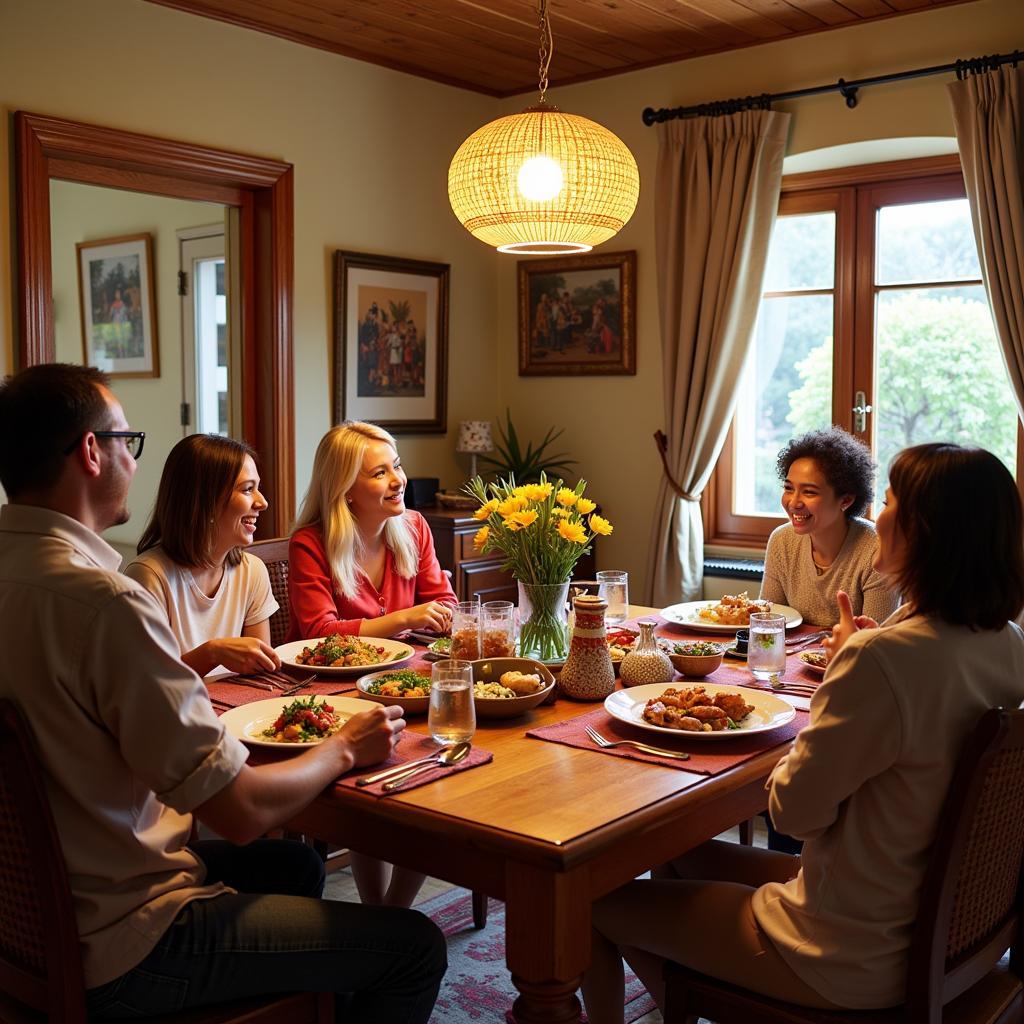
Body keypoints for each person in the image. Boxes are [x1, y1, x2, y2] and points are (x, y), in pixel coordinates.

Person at [0, 364, 446, 1021]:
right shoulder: (107, 603)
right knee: (414, 947)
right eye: (129, 440)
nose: (132, 457)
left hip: (31, 918)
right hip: (131, 937)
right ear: (92, 453)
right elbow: (238, 812)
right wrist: (344, 749)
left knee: (296, 872)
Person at [581, 442, 1024, 1022]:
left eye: (889, 502)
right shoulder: (1009, 645)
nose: (878, 514)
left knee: (593, 902)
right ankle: (705, 1000)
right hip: (936, 923)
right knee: (681, 856)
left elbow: (792, 815)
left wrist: (850, 664)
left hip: (845, 951)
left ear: (924, 531)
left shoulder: (881, 658)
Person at [288, 420, 457, 908]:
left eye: (397, 466)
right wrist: (405, 618)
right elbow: (319, 632)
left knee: (439, 785)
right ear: (344, 489)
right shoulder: (311, 543)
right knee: (372, 799)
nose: (398, 480)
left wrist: (435, 618)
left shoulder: (414, 528)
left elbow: (442, 602)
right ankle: (381, 915)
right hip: (331, 698)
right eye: (379, 473)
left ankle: (390, 913)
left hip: (407, 686)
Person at [124, 434, 282, 678]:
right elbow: (146, 681)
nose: (263, 503)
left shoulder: (252, 570)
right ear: (204, 501)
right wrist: (212, 653)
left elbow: (263, 671)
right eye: (248, 489)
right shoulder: (149, 576)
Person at [760, 426, 899, 626]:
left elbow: (875, 644)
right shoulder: (781, 540)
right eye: (789, 488)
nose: (794, 502)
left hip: (852, 656)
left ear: (846, 500)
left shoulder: (877, 550)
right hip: (793, 656)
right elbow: (767, 622)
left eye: (809, 492)